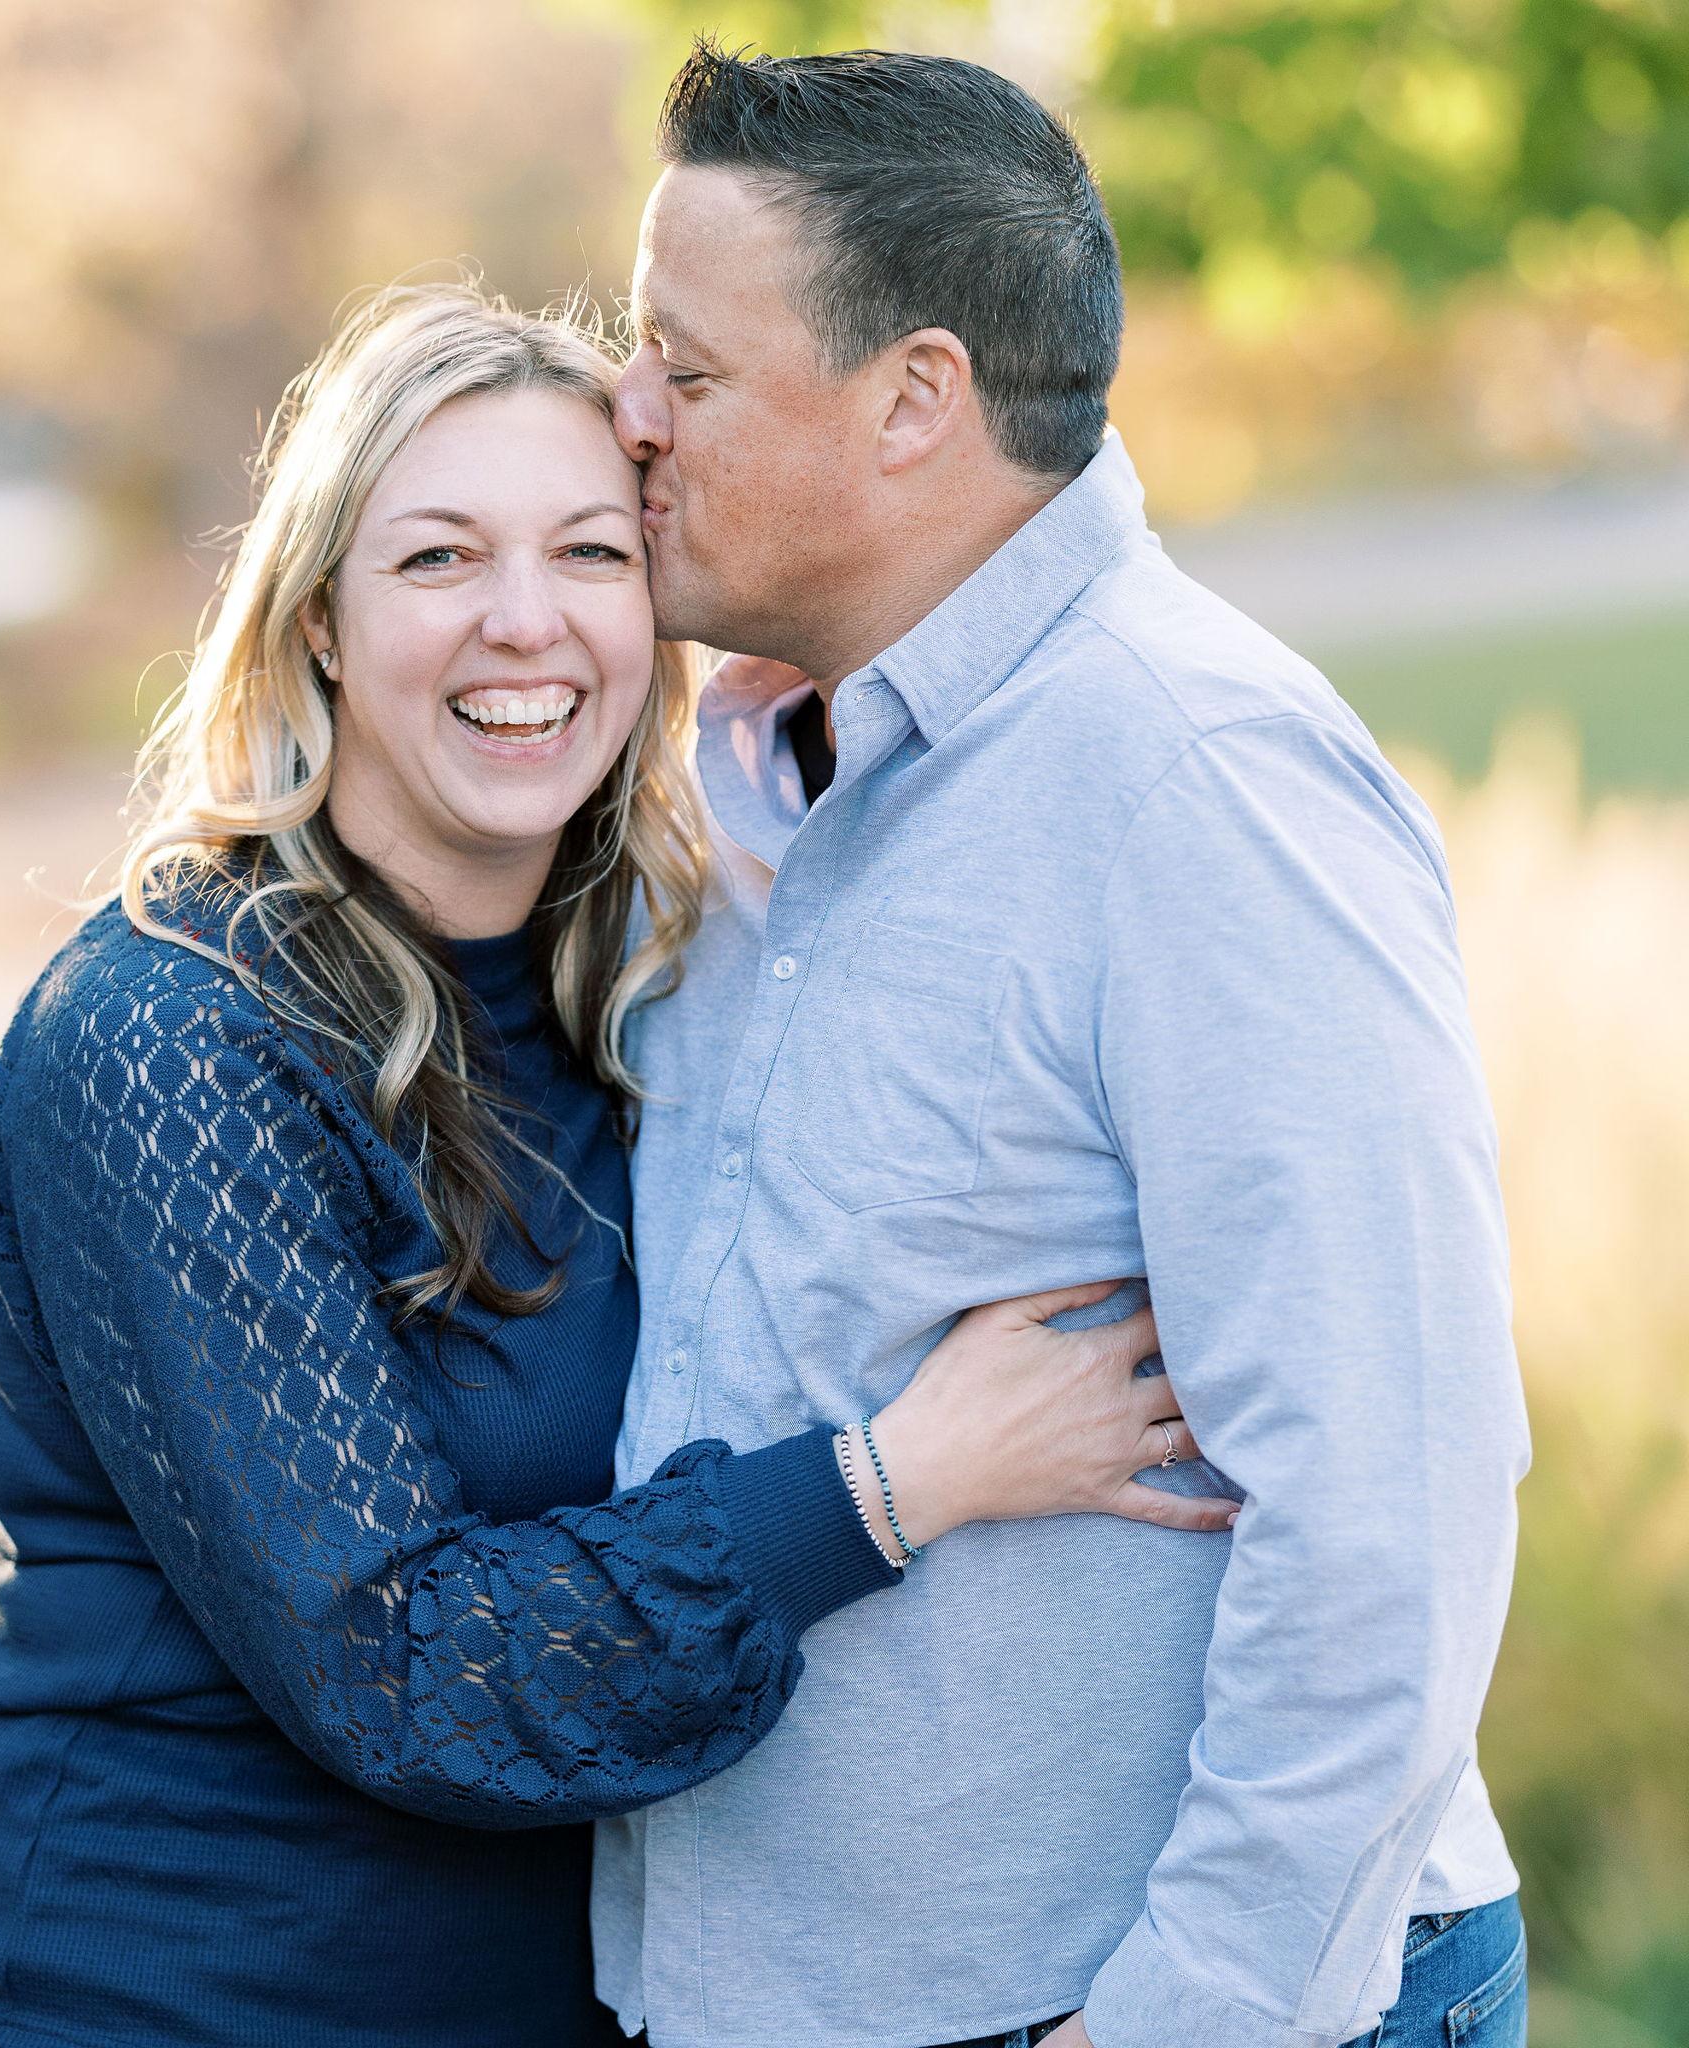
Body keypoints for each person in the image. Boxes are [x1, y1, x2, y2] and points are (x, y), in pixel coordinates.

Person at [0, 286, 1235, 2048]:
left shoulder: (654, 987)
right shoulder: (171, 1033)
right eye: (438, 558)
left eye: (590, 552)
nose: (524, 621)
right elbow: (402, 1668)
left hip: (543, 1995)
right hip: (165, 1989)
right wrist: (902, 1481)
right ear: (320, 625)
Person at [587, 41, 1531, 2048]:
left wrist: (1183, 2020)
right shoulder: (748, 776)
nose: (624, 414)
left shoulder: (1197, 779)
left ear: (913, 399)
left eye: (686, 366)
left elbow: (1391, 1508)